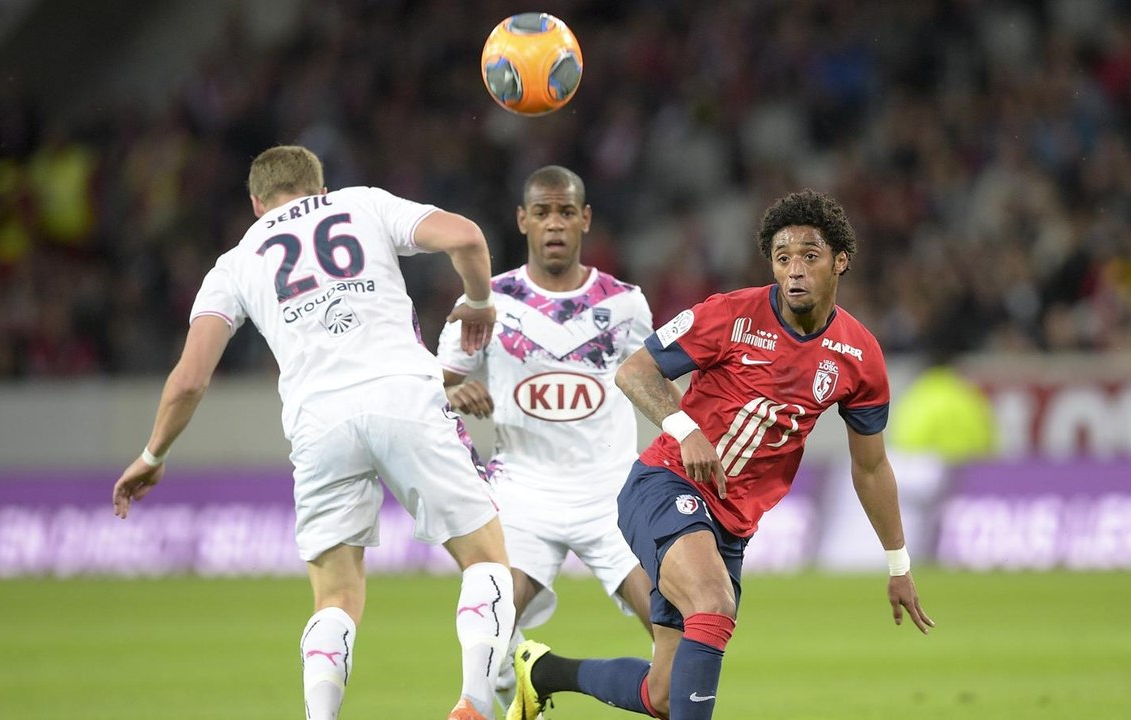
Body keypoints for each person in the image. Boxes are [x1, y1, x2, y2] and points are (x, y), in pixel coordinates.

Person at [110, 145, 516, 720]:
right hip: (404, 394)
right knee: (485, 561)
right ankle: (474, 701)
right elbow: (468, 238)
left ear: (256, 203)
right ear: (319, 186)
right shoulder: (363, 205)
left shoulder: (235, 261)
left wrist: (152, 453)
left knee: (337, 597)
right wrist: (478, 302)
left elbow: (189, 380)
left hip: (317, 424)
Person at [507, 189, 935, 720]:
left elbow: (870, 465)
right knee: (713, 603)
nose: (794, 271)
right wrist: (685, 428)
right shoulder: (730, 315)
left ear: (840, 261)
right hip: (665, 485)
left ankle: (540, 672)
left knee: (662, 695)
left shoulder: (860, 355)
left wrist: (898, 564)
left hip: (730, 524)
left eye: (809, 256)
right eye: (783, 258)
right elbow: (635, 371)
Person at [437, 166, 656, 714]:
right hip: (522, 494)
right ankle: (488, 696)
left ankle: (536, 676)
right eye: (541, 213)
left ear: (584, 219)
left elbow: (653, 381)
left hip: (612, 495)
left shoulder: (626, 304)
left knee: (678, 625)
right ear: (522, 221)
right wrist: (454, 391)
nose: (553, 224)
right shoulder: (488, 302)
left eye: (564, 212)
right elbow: (432, 384)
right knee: (490, 624)